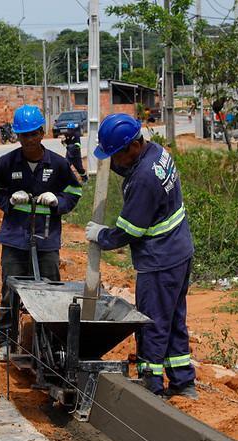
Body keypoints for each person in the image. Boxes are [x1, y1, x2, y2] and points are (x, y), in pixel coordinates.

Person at [85, 113, 197, 399]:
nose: (113, 162)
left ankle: (151, 385)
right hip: (178, 251)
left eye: (115, 155)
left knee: (153, 322)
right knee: (173, 319)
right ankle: (183, 382)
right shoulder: (157, 152)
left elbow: (129, 231)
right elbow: (130, 170)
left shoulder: (145, 179)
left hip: (160, 260)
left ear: (133, 147)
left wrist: (100, 235)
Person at [0, 105, 83, 349]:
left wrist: (58, 202)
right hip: (15, 238)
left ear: (42, 133)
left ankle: (52, 341)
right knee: (11, 290)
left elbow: (74, 191)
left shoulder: (59, 165)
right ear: (17, 136)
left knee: (50, 290)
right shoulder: (6, 163)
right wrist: (9, 201)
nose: (29, 140)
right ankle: (7, 340)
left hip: (46, 238)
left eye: (33, 134)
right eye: (23, 135)